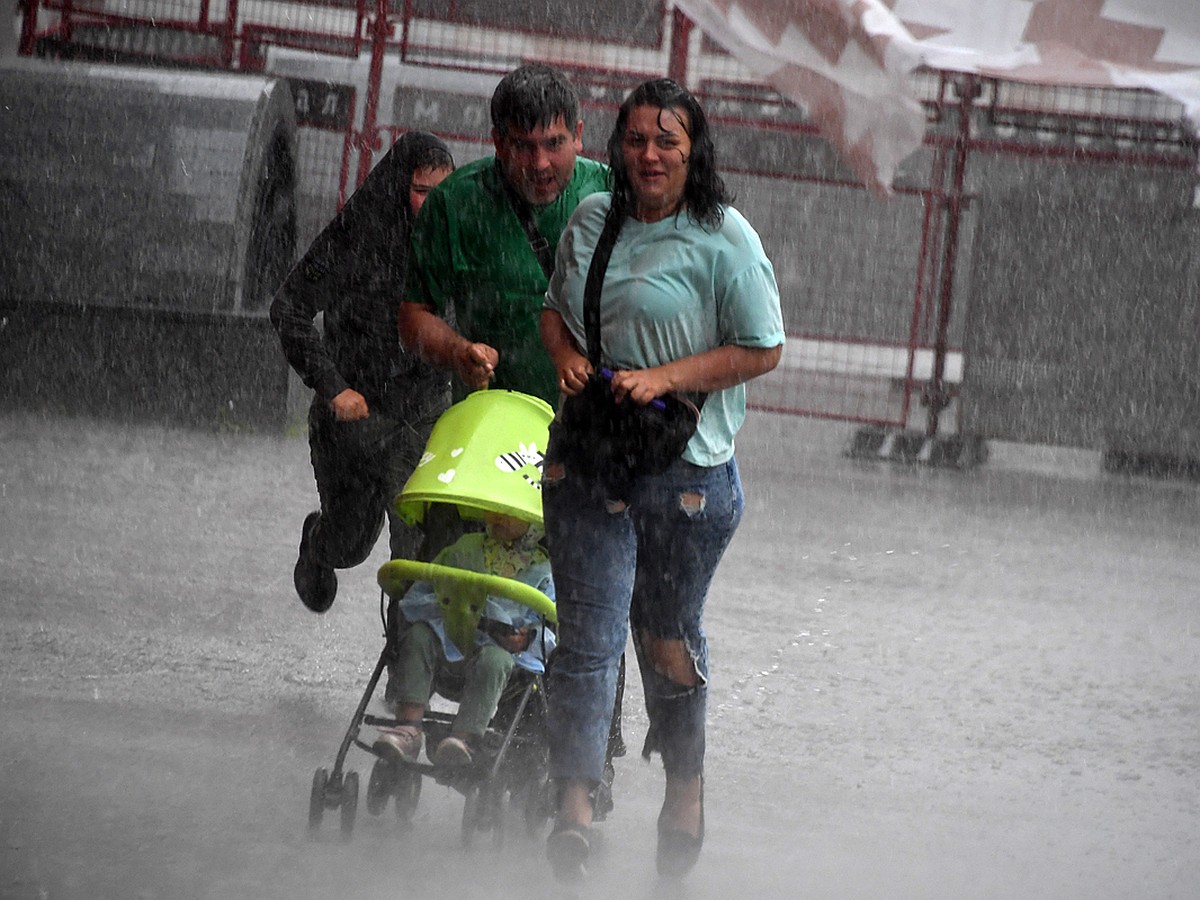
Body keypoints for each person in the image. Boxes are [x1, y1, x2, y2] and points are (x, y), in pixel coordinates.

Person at [539, 78, 785, 882]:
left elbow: (763, 347)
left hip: (687, 471)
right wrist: (569, 358)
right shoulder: (590, 218)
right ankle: (573, 806)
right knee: (587, 636)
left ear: (693, 152)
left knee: (662, 638)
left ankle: (685, 783)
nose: (650, 155)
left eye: (667, 142)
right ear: (618, 146)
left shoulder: (725, 236)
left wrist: (665, 376)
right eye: (637, 139)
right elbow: (554, 311)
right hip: (594, 455)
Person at [270, 132, 454, 613]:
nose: (432, 205)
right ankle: (319, 543)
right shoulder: (356, 237)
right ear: (399, 188)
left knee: (414, 555)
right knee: (349, 544)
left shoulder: (457, 242)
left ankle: (405, 666)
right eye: (421, 191)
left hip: (421, 417)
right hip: (353, 421)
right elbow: (289, 308)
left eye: (443, 191)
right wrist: (333, 386)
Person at [398, 62, 609, 407]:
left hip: (595, 421)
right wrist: (460, 352)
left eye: (554, 143)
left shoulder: (612, 195)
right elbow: (413, 317)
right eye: (524, 147)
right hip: (494, 418)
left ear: (578, 135)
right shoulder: (454, 203)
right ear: (497, 141)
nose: (540, 163)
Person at [373, 511, 555, 767]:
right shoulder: (464, 548)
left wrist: (527, 639)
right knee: (418, 636)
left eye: (512, 515)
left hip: (504, 661)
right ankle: (408, 727)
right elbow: (424, 590)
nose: (500, 518)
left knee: (495, 660)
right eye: (495, 511)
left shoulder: (544, 572)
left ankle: (464, 739)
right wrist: (443, 609)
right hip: (448, 642)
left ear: (534, 523)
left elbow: (550, 624)